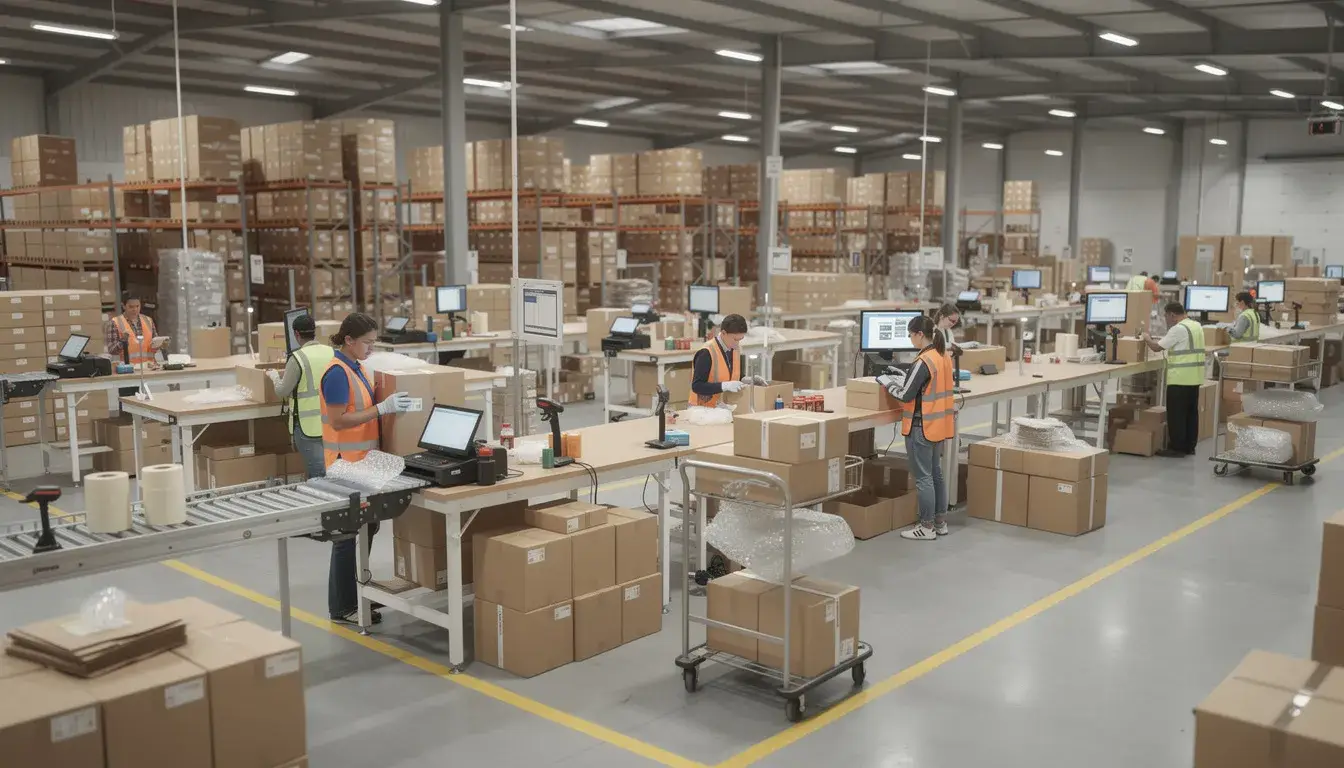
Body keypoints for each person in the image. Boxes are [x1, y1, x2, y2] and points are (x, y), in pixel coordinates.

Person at [320, 313, 414, 624]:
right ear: (348, 340)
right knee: (348, 537)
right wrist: (381, 408)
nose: (371, 349)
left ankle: (356, 596)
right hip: (344, 467)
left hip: (363, 466)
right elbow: (337, 421)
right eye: (367, 343)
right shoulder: (336, 374)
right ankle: (342, 606)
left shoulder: (356, 367)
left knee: (367, 529)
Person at [877, 315, 955, 541]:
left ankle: (926, 527)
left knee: (923, 478)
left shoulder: (923, 361)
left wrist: (888, 383)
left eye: (911, 335)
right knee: (936, 474)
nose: (910, 340)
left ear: (920, 334)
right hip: (938, 425)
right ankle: (940, 522)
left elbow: (905, 394)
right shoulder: (942, 355)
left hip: (921, 427)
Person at [1139, 302, 1205, 458]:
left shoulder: (1178, 329)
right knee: (1191, 414)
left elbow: (1156, 347)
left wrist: (1146, 338)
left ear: (1172, 315)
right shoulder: (1196, 326)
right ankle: (1189, 446)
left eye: (1165, 316)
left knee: (1177, 415)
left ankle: (1177, 448)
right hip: (1194, 377)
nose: (1165, 320)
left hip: (1179, 378)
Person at [271, 314, 332, 479]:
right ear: (315, 331)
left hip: (307, 426)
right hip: (332, 423)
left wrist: (275, 377)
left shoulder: (297, 358)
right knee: (329, 471)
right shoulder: (332, 352)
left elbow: (282, 391)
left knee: (317, 475)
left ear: (296, 334)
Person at [690, 313, 766, 406]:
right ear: (723, 333)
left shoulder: (735, 349)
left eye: (740, 339)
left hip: (724, 407)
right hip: (703, 410)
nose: (737, 343)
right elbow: (697, 386)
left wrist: (748, 380)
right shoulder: (707, 352)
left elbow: (734, 375)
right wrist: (725, 386)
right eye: (735, 339)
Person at [105, 295, 164, 395]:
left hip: (147, 370)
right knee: (128, 403)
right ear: (124, 306)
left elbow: (154, 342)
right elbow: (112, 349)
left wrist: (161, 344)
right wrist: (123, 342)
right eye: (131, 307)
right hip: (127, 371)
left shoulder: (148, 320)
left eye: (137, 306)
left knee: (148, 403)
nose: (135, 309)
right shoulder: (115, 322)